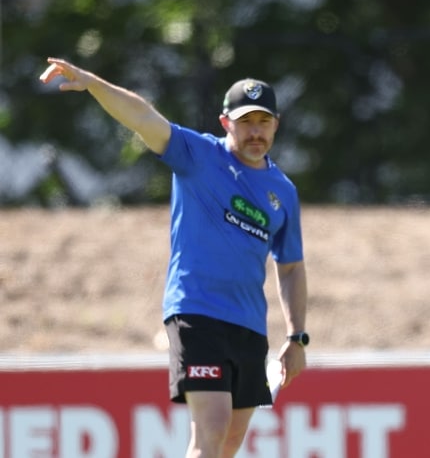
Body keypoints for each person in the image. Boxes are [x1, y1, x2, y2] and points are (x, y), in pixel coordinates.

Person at [40, 59, 310, 457]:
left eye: (263, 122)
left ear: (276, 124)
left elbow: (290, 266)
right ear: (225, 122)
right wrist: (93, 83)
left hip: (249, 325)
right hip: (197, 311)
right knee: (211, 429)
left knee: (230, 443)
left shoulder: (282, 191)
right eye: (245, 122)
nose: (255, 131)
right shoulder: (197, 154)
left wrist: (296, 336)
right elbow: (143, 117)